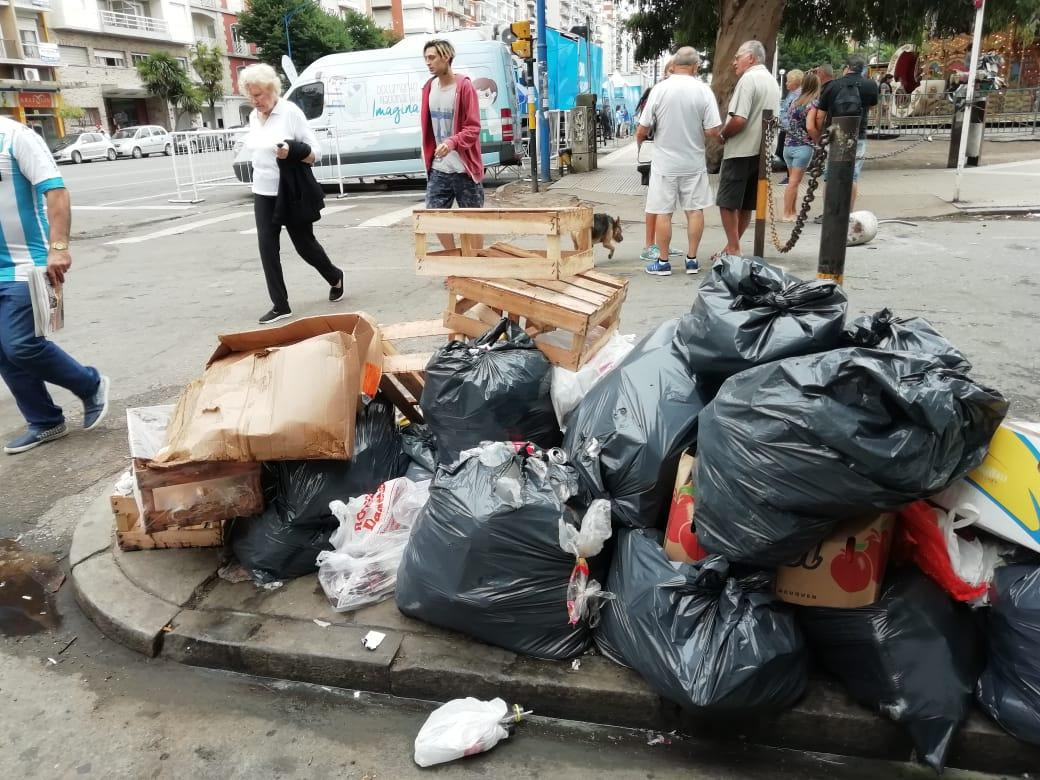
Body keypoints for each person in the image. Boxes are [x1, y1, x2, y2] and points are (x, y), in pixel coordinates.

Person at [0, 115, 109, 454]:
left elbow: (56, 191)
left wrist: (58, 247)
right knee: (4, 353)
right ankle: (45, 420)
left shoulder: (14, 136)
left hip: (23, 266)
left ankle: (90, 384)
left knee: (21, 344)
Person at [240, 63, 343, 326]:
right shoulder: (254, 116)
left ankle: (334, 276)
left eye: (260, 94)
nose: (256, 100)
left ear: (273, 90)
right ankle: (280, 304)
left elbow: (315, 153)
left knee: (304, 245)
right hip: (263, 189)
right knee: (267, 247)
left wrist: (291, 151)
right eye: (251, 95)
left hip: (290, 190)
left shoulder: (290, 113)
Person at [636, 47, 720, 276]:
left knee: (664, 212)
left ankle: (663, 263)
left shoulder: (659, 90)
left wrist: (639, 144)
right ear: (695, 67)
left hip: (665, 164)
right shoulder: (704, 91)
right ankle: (691, 260)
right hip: (693, 163)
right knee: (695, 211)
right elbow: (713, 130)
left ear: (674, 64)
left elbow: (643, 128)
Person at [715, 40, 781, 257]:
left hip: (741, 150)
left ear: (750, 58)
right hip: (763, 151)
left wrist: (723, 134)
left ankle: (733, 247)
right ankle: (733, 245)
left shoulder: (748, 79)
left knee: (727, 201)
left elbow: (739, 119)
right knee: (745, 204)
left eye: (737, 57)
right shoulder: (772, 81)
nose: (734, 62)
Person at [420, 39, 484, 251]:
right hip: (439, 167)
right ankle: (454, 262)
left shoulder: (464, 86)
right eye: (426, 58)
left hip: (464, 168)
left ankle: (475, 268)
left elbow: (473, 128)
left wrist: (452, 141)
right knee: (434, 216)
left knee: (473, 222)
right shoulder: (428, 88)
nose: (428, 63)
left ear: (446, 57)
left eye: (432, 57)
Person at [813, 54, 879, 210]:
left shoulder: (833, 86)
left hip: (835, 133)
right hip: (858, 133)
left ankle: (829, 211)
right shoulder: (870, 85)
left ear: (846, 68)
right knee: (853, 176)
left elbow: (820, 116)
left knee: (830, 175)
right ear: (862, 69)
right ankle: (848, 212)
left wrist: (819, 136)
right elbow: (873, 106)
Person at [781, 71, 821, 221]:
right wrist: (817, 141)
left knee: (793, 181)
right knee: (794, 182)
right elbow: (810, 126)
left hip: (788, 145)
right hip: (802, 146)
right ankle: (786, 213)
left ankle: (792, 211)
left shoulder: (794, 102)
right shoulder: (812, 104)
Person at [777, 69, 803, 184]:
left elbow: (791, 113)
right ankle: (791, 174)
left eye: (788, 81)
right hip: (786, 128)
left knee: (783, 151)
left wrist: (787, 126)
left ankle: (792, 175)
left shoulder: (798, 95)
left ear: (795, 82)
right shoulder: (792, 94)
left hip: (790, 129)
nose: (786, 83)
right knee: (780, 151)